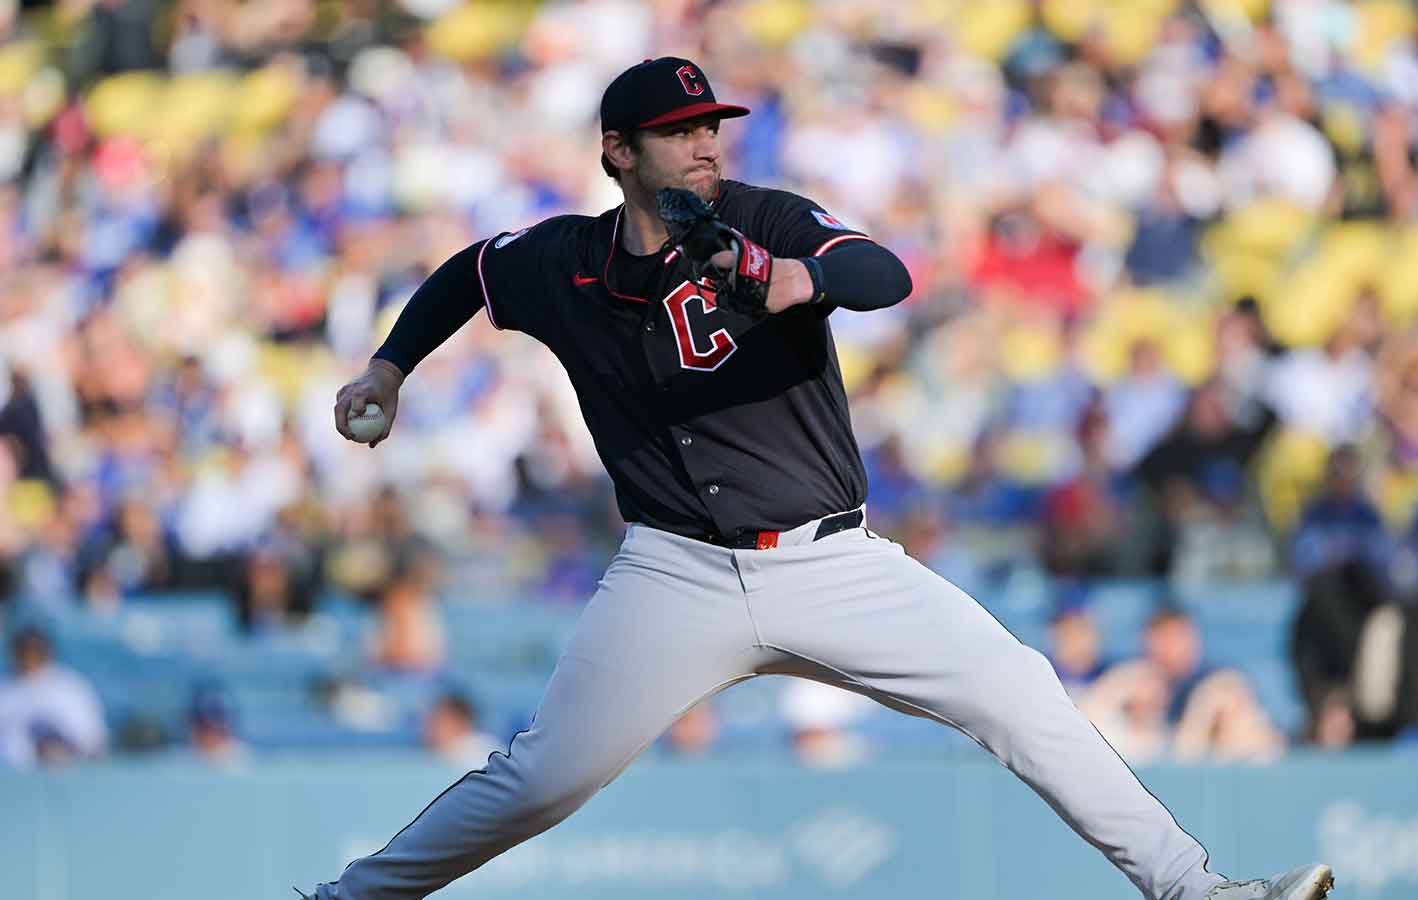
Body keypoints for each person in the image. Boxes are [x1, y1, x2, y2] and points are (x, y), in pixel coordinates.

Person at [302, 58, 1332, 900]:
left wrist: (796, 277)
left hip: (829, 561)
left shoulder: (764, 217)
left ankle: (1202, 897)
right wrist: (389, 367)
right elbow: (467, 271)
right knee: (540, 781)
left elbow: (885, 274)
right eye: (676, 130)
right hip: (675, 574)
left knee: (1019, 693)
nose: (704, 144)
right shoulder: (563, 260)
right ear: (617, 152)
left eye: (711, 125)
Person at [0, 626, 109, 769]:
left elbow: (93, 738)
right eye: (24, 652)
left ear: (46, 653)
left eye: (35, 652)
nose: (29, 658)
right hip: (16, 775)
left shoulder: (69, 687)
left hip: (69, 773)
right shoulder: (5, 690)